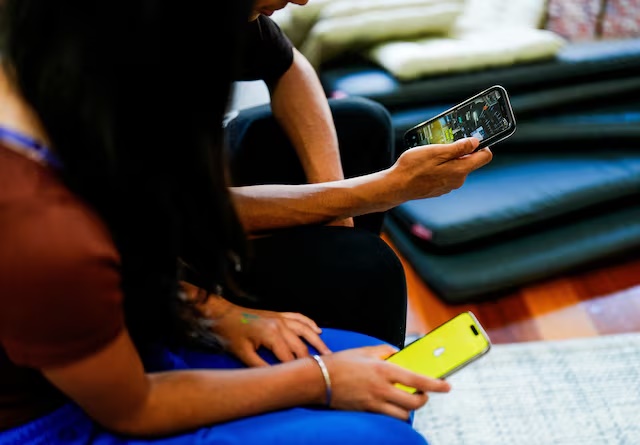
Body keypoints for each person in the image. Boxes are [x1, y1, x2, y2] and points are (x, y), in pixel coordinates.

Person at [0, 0, 488, 443]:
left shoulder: (72, 100)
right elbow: (135, 407)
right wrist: (323, 380)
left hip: (130, 329)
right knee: (383, 430)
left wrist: (217, 312)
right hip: (80, 414)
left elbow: (133, 240)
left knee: (372, 363)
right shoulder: (44, 229)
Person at [217, 0, 494, 351]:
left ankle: (339, 314)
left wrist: (337, 205)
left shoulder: (229, 13)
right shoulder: (144, 36)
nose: (302, 1)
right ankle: (343, 361)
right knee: (371, 269)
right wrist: (379, 191)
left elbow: (289, 66)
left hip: (191, 185)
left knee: (363, 124)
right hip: (160, 252)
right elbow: (180, 215)